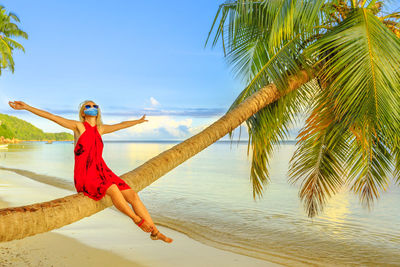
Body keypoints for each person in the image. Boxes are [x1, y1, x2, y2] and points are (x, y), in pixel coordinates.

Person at [8, 99, 173, 243]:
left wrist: (137, 122)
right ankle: (137, 221)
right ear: (83, 112)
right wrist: (27, 107)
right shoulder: (79, 127)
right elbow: (52, 117)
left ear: (98, 111)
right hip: (86, 174)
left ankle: (155, 232)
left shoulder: (101, 129)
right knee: (114, 190)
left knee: (133, 195)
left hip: (103, 171)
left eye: (95, 105)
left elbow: (120, 126)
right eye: (88, 106)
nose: (92, 107)